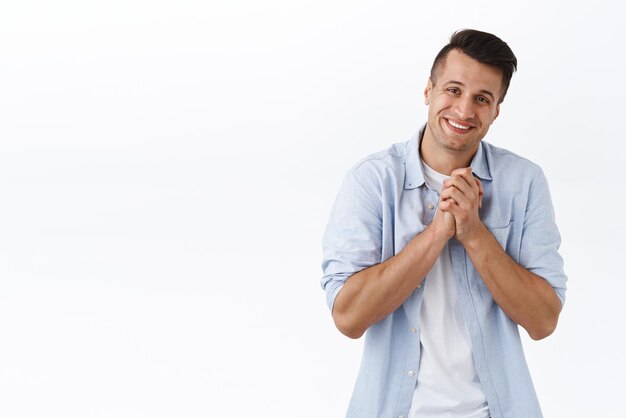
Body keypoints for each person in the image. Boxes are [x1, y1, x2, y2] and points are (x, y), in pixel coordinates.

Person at [321, 29, 567, 418]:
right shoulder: (371, 180)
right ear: (428, 92)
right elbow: (349, 318)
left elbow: (543, 320)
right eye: (453, 90)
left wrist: (474, 234)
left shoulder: (524, 182)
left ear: (496, 111)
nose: (465, 110)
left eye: (482, 99)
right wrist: (437, 233)